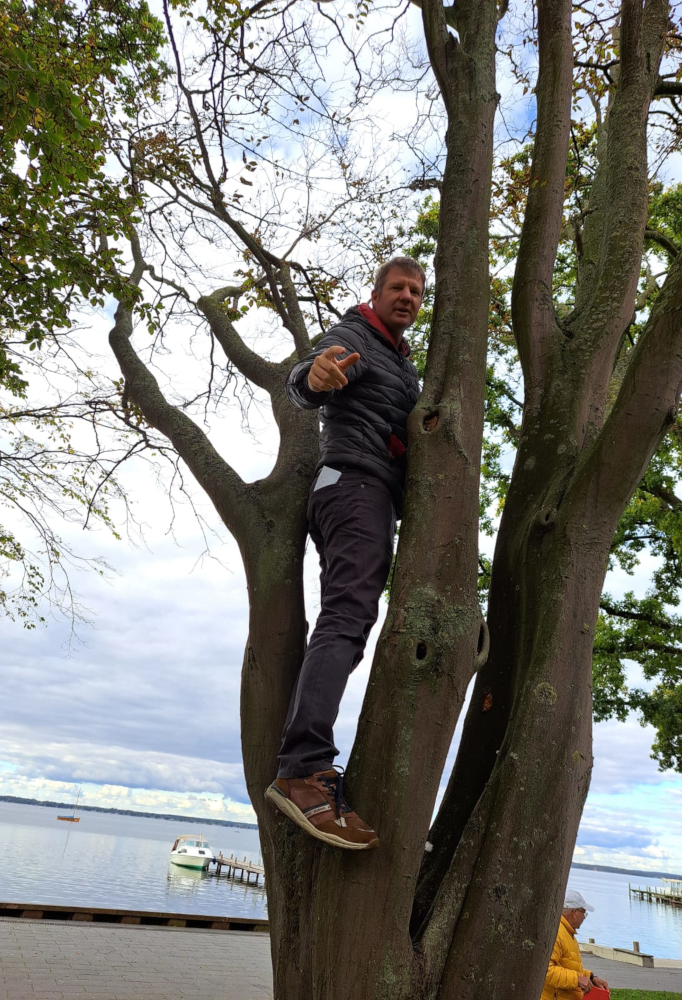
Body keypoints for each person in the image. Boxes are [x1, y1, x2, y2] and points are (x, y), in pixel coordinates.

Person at [264, 257, 425, 851]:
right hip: (353, 486)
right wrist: (316, 376)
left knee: (351, 621)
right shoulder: (355, 334)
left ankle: (308, 768)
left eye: (415, 291)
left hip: (369, 495)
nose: (407, 297)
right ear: (376, 293)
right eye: (397, 288)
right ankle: (301, 771)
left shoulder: (402, 362)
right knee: (346, 619)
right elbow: (309, 376)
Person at [541, 890, 609, 1000]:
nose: (584, 917)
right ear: (574, 912)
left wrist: (590, 978)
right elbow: (546, 971)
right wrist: (577, 979)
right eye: (584, 913)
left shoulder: (568, 934)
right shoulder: (557, 933)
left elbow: (569, 966)